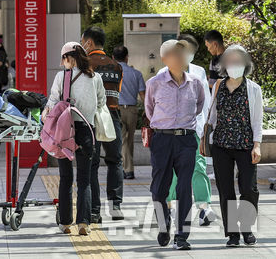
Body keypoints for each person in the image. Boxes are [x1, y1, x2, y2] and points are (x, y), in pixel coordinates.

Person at [145, 40, 205, 250]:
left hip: (187, 139)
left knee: (184, 187)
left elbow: (199, 107)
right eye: (174, 54)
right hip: (162, 139)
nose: (179, 57)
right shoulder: (154, 82)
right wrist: (165, 127)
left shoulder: (196, 82)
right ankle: (164, 225)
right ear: (164, 59)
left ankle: (182, 235)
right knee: (159, 189)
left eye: (182, 53)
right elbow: (149, 109)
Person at [203, 44, 263, 247]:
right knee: (225, 190)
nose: (233, 64)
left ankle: (247, 228)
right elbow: (212, 116)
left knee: (249, 189)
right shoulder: (218, 86)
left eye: (237, 61)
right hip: (221, 145)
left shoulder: (253, 89)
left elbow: (257, 120)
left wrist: (257, 145)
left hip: (246, 145)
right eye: (229, 60)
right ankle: (233, 234)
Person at [44, 42, 105, 236]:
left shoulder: (62, 77)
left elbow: (53, 102)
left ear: (69, 58)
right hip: (87, 130)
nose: (62, 63)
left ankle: (65, 223)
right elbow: (101, 102)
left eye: (63, 59)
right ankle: (84, 223)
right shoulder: (95, 77)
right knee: (85, 179)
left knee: (65, 177)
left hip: (65, 131)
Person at [158, 35, 215, 226]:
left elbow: (205, 103)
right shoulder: (162, 72)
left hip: (193, 131)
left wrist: (205, 128)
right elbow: (153, 105)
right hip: (169, 132)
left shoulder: (198, 72)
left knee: (198, 168)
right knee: (171, 172)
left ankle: (204, 207)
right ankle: (169, 207)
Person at [81, 26, 124, 222]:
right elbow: (117, 92)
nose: (82, 46)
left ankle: (94, 211)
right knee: (115, 160)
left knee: (92, 163)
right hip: (112, 116)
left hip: (91, 119)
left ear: (89, 42)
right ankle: (115, 207)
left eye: (83, 42)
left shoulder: (84, 64)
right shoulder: (117, 66)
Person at [113, 46, 145, 180]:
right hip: (132, 110)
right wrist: (148, 111)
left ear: (113, 58)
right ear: (127, 57)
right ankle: (128, 169)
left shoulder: (112, 73)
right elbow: (143, 94)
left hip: (116, 109)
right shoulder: (136, 74)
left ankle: (127, 170)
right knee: (129, 140)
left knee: (122, 140)